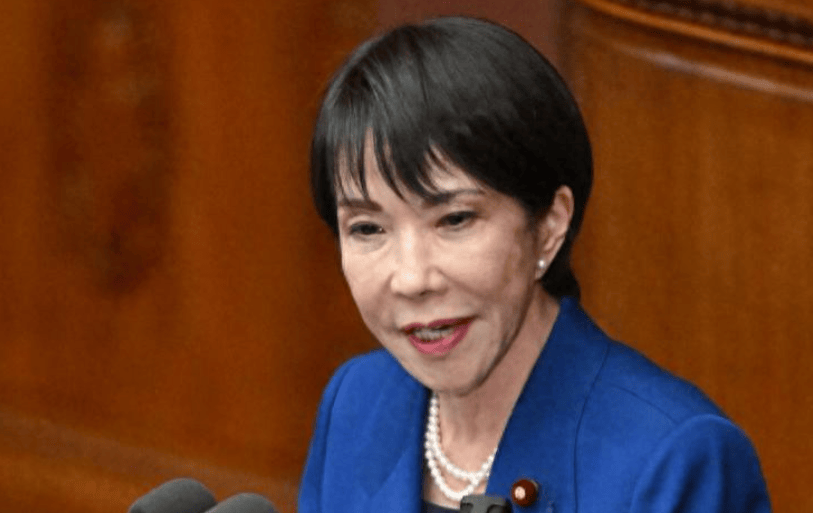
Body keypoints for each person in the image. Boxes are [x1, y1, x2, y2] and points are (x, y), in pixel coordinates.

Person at [299, 16, 771, 513]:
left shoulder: (675, 458)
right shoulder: (358, 402)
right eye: (368, 229)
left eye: (455, 219)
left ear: (549, 224)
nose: (413, 278)